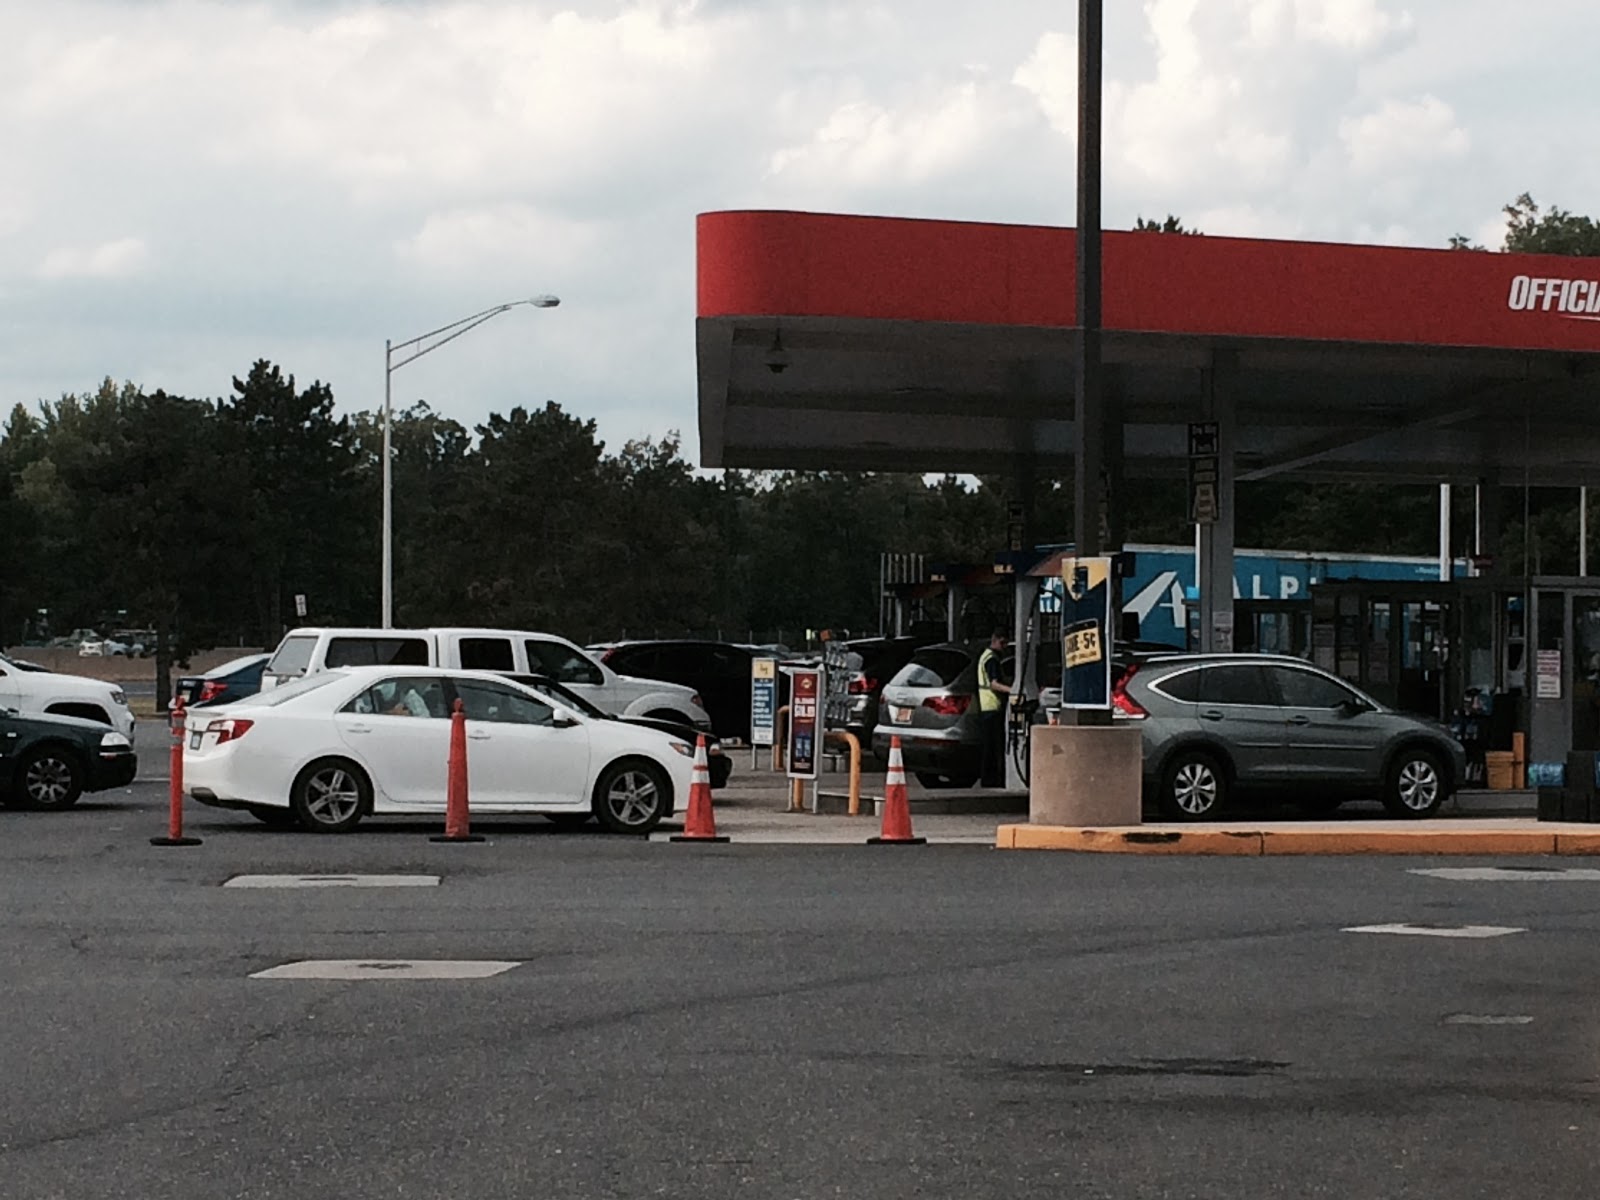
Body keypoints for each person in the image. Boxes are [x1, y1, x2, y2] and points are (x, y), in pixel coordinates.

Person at [977, 627, 1012, 787]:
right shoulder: (992, 659)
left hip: (986, 707)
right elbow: (994, 684)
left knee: (988, 748)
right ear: (996, 640)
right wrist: (1013, 690)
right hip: (992, 707)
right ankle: (993, 781)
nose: (1005, 647)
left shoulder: (985, 656)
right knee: (994, 748)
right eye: (1003, 643)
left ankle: (988, 780)